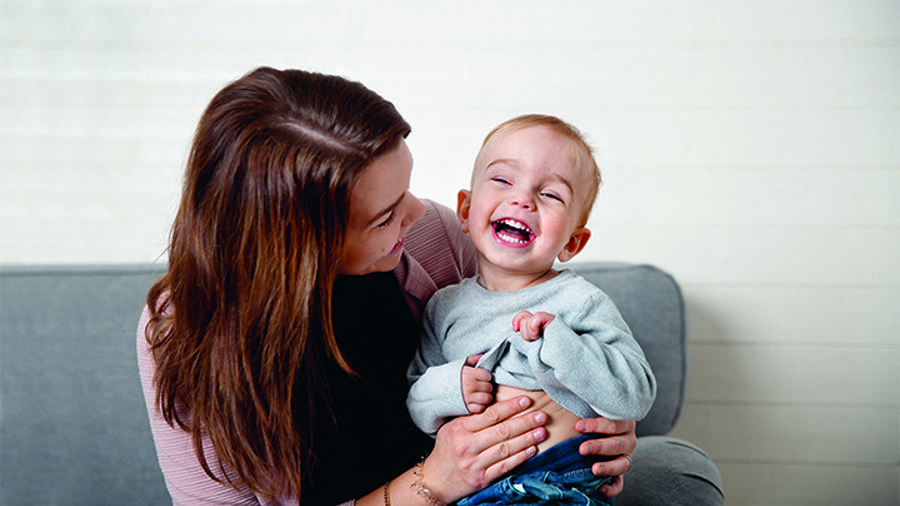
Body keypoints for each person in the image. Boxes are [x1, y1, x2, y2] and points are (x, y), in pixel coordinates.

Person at [136, 67, 642, 506]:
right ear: (302, 251)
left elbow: (564, 349)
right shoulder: (181, 335)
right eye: (384, 217)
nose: (419, 212)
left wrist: (597, 429)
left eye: (407, 188)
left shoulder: (435, 237)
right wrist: (434, 482)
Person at [405, 115, 657, 505]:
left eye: (551, 195)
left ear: (572, 243)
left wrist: (562, 345)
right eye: (503, 180)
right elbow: (416, 399)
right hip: (474, 490)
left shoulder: (579, 301)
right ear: (465, 210)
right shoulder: (444, 306)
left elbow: (636, 394)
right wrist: (454, 385)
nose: (523, 199)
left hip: (560, 481)